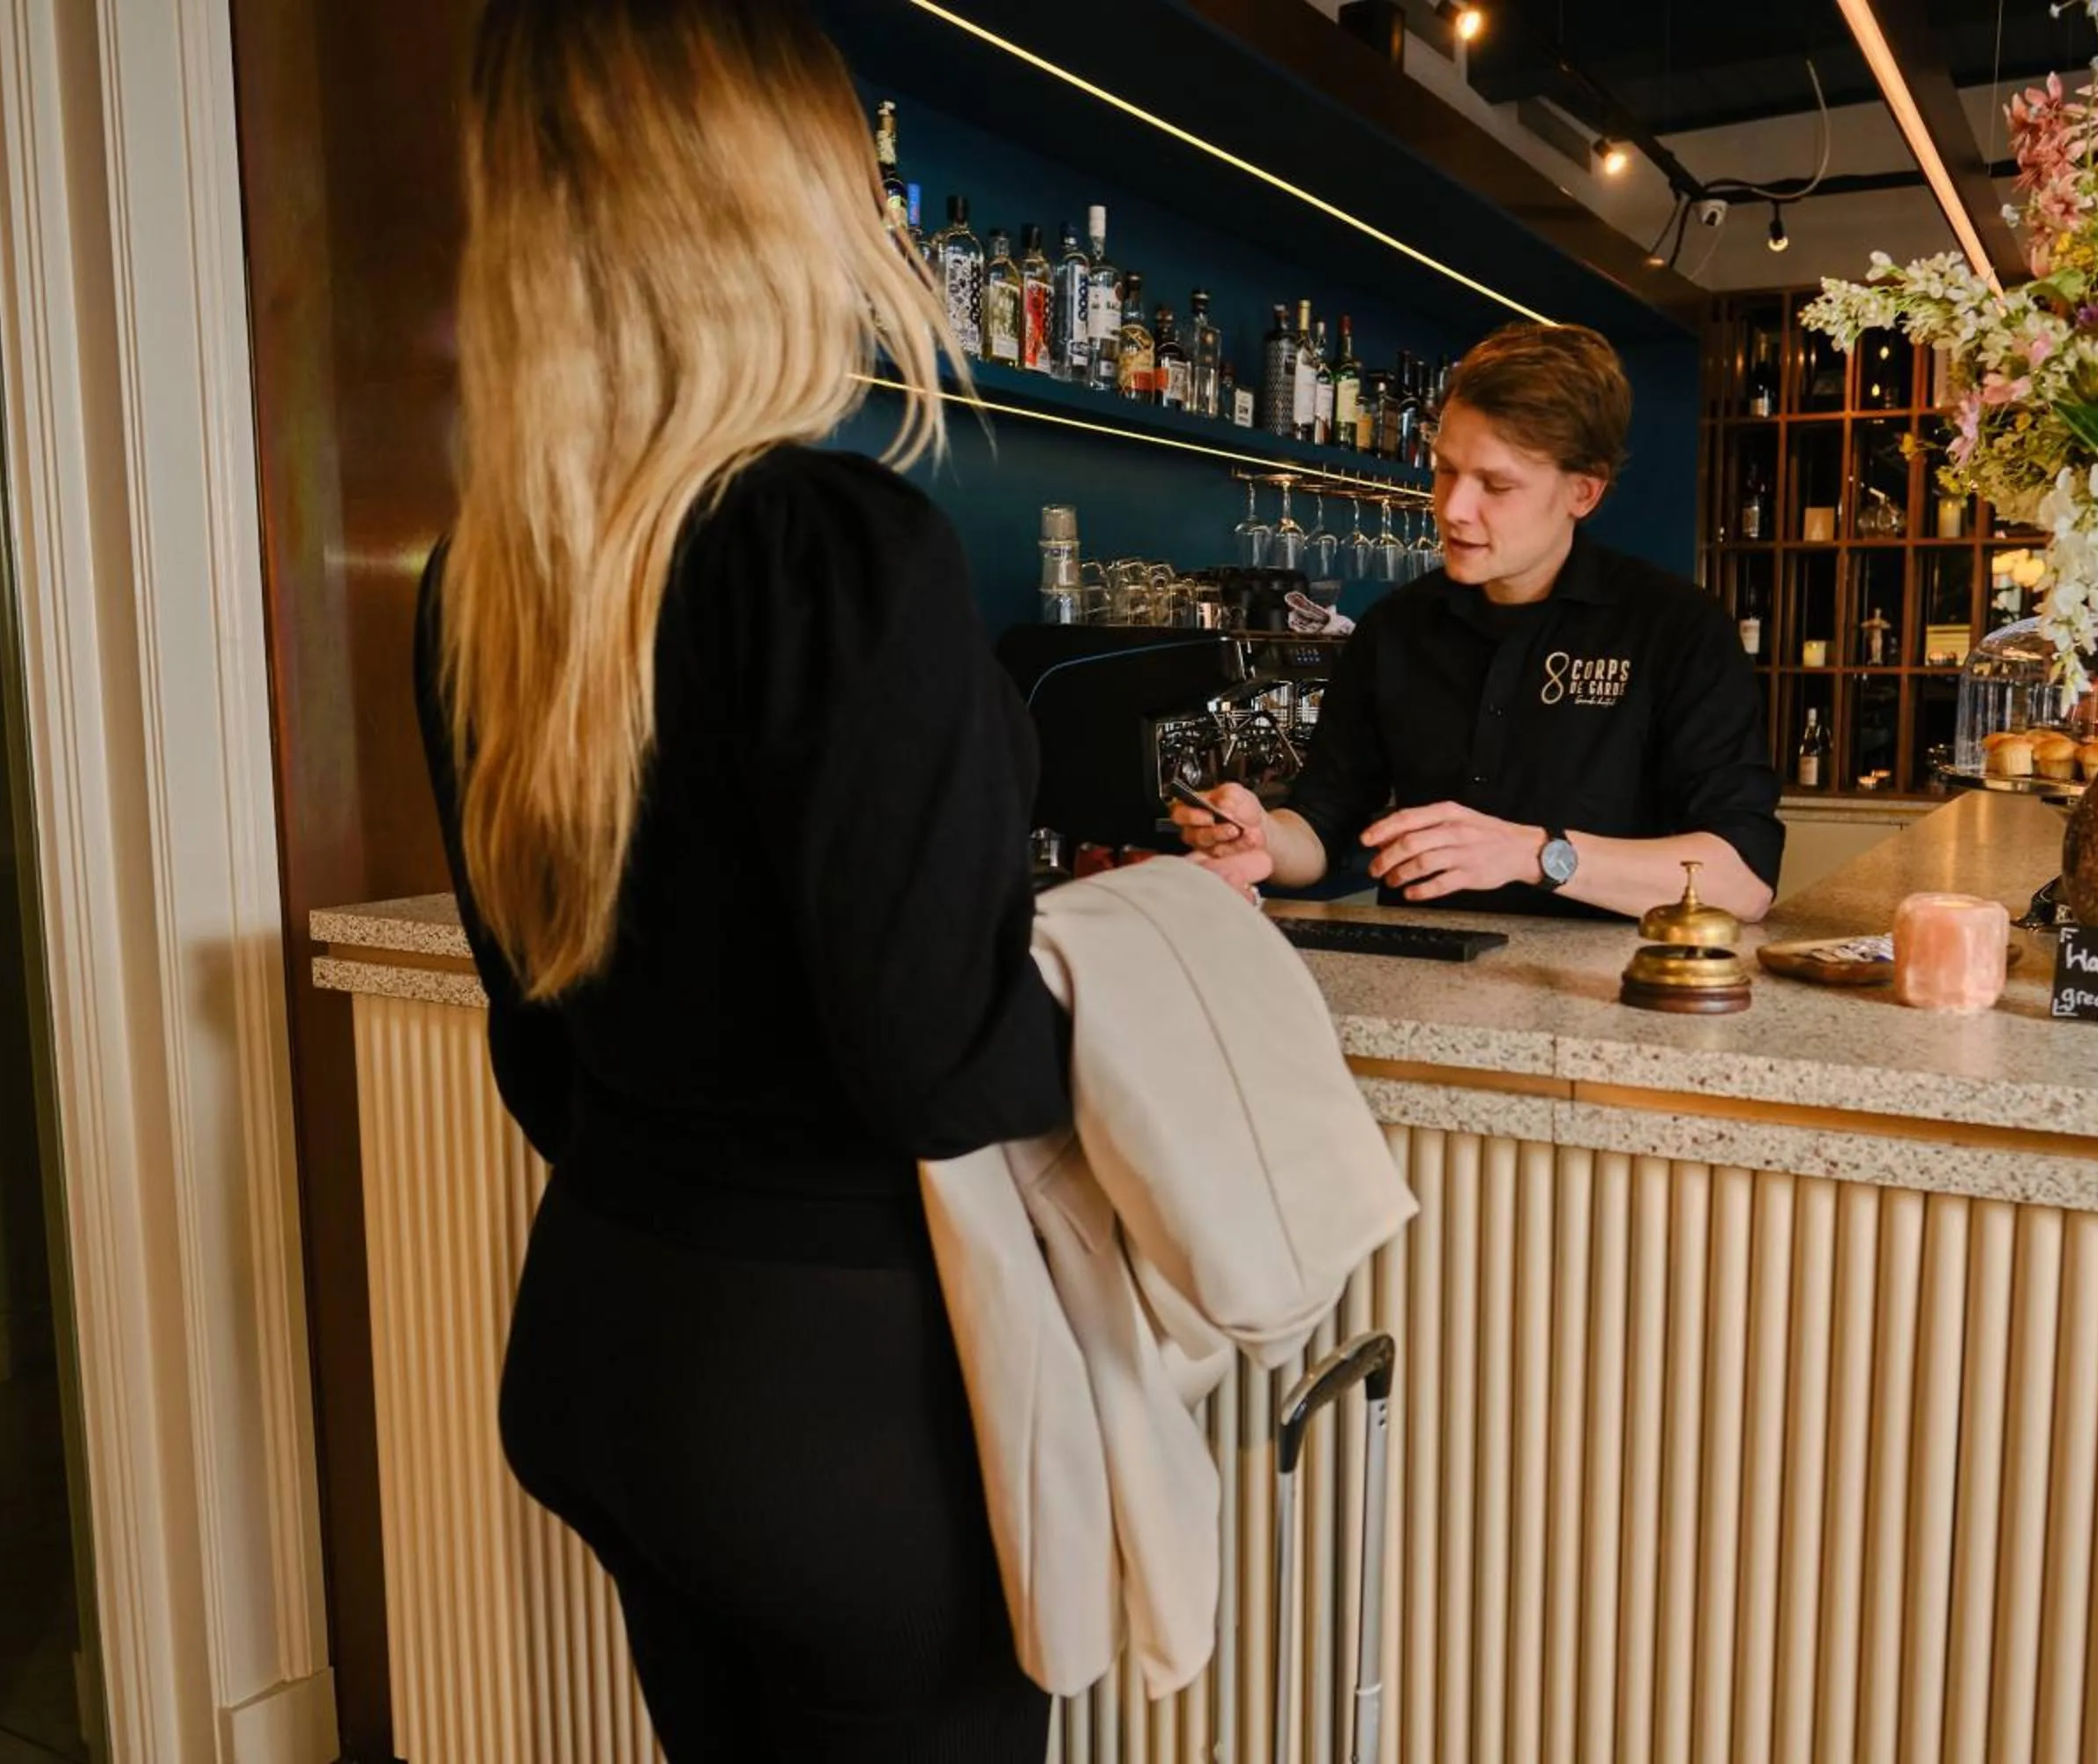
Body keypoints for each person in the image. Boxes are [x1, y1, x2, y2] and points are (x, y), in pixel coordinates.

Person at [412, 3, 1066, 1757]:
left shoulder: (488, 583)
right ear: (776, 194)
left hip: (604, 1335)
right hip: (832, 1412)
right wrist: (1135, 975)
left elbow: (539, 1037)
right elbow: (942, 1064)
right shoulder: (840, 553)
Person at [1174, 323, 1783, 920]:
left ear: (1584, 493)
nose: (1454, 509)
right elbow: (1323, 823)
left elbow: (1743, 879)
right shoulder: (1396, 628)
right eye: (1445, 471)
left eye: (1496, 484)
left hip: (1612, 998)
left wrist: (1537, 854)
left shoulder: (1677, 629)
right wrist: (1260, 836)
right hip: (1427, 987)